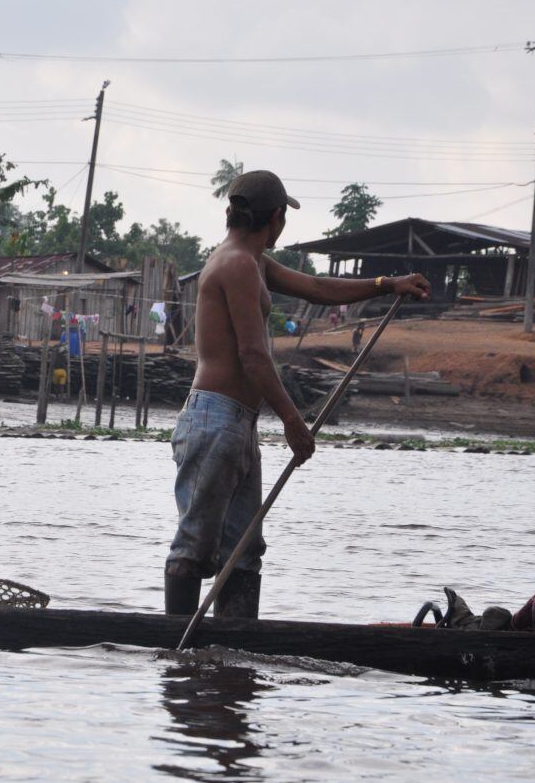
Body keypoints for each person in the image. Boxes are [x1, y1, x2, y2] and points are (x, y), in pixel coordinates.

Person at [164, 171, 428, 618]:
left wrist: (387, 284)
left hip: (236, 424)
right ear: (277, 218)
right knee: (195, 546)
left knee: (245, 551)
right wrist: (292, 421)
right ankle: (174, 653)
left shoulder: (252, 262)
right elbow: (252, 354)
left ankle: (233, 660)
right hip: (214, 420)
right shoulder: (235, 265)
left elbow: (318, 288)